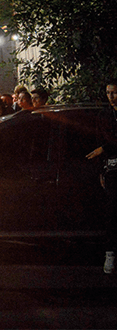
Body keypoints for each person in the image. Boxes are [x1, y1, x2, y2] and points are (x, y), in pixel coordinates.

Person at [86, 80, 117, 274]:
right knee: (112, 212)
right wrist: (101, 169)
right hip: (112, 169)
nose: (111, 96)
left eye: (114, 92)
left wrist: (104, 149)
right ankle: (110, 255)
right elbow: (101, 139)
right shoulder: (104, 115)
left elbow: (104, 145)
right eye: (108, 92)